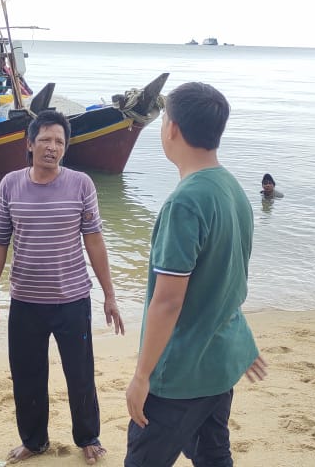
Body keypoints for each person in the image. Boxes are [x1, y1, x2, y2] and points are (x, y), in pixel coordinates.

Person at [124, 82, 268, 467]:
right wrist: (242, 345)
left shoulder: (185, 202)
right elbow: (231, 282)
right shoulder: (233, 190)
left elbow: (168, 301)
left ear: (171, 128)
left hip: (180, 373)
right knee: (213, 457)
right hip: (219, 365)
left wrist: (142, 376)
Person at [0, 109, 124, 465]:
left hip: (72, 299)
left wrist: (109, 295)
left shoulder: (81, 184)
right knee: (27, 375)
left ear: (65, 147)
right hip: (26, 301)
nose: (52, 147)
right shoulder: (10, 184)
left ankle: (88, 436)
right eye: (44, 140)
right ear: (29, 144)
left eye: (59, 141)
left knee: (80, 372)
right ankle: (34, 440)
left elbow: (94, 241)